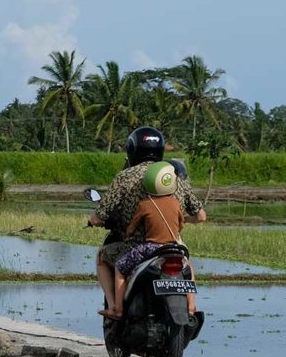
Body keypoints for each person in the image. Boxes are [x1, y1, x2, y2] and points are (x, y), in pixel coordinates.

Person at [87, 127, 205, 316]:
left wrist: (95, 221)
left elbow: (103, 216)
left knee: (104, 258)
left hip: (140, 247)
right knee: (187, 264)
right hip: (173, 244)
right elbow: (200, 216)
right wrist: (181, 221)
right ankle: (192, 307)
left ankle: (115, 307)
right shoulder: (172, 178)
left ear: (132, 150)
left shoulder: (126, 178)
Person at [105, 162, 187, 317]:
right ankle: (191, 307)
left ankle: (119, 310)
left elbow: (132, 228)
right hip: (173, 248)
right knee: (187, 270)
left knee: (120, 267)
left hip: (151, 248)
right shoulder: (176, 203)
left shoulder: (144, 204)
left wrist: (128, 232)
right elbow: (181, 225)